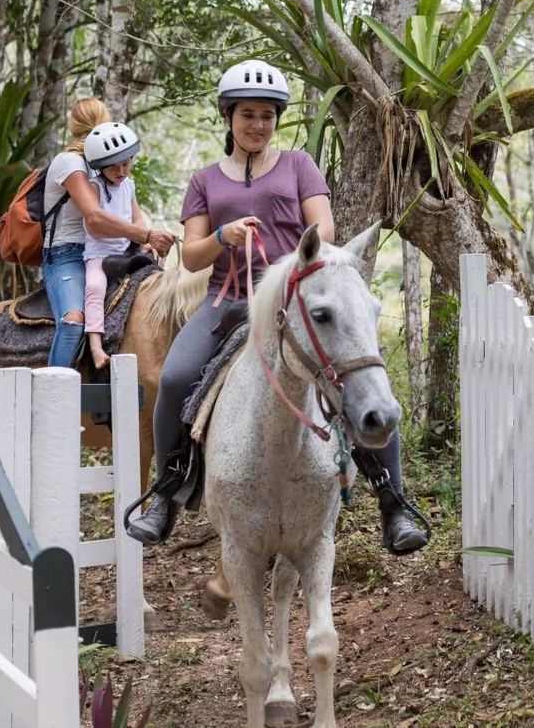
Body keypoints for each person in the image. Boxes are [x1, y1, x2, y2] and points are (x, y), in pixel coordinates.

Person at [127, 60, 429, 557]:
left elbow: (324, 230)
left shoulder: (298, 166)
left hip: (292, 299)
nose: (258, 125)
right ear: (228, 116)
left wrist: (290, 262)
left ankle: (393, 502)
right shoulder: (204, 180)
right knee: (176, 377)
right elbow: (193, 254)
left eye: (267, 116)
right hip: (227, 301)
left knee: (363, 374)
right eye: (248, 114)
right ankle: (165, 493)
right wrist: (223, 235)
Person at [42, 99, 175, 368]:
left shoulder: (111, 162)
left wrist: (143, 242)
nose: (121, 170)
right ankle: (54, 385)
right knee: (72, 321)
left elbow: (131, 210)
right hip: (69, 253)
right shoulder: (71, 162)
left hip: (115, 250)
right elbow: (94, 216)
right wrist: (146, 235)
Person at [81, 121, 150, 370]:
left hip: (127, 252)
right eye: (113, 166)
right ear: (100, 167)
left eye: (125, 164)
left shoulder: (128, 185)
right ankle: (95, 345)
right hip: (99, 255)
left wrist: (144, 238)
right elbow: (93, 225)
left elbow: (137, 218)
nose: (121, 170)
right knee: (95, 287)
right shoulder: (95, 186)